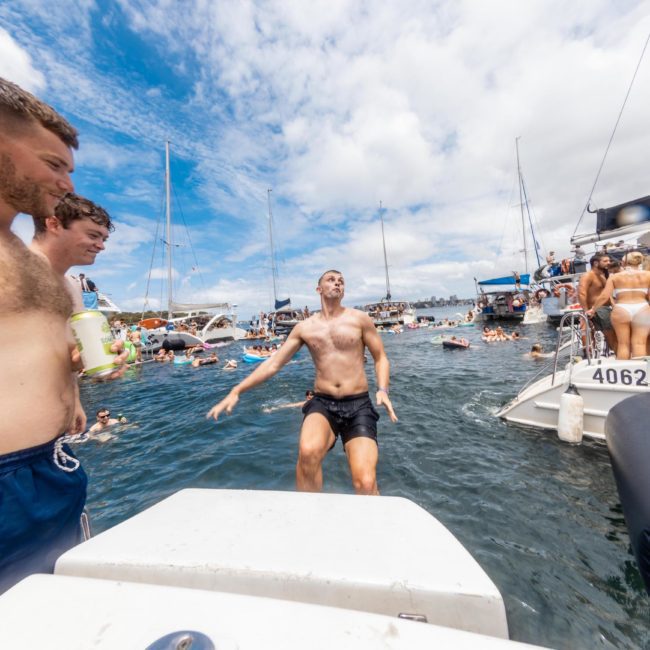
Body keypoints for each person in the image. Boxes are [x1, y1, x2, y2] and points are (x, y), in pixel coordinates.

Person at [0, 77, 88, 593]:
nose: (67, 185)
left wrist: (72, 374)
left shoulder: (25, 260)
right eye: (53, 164)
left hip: (53, 469)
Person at [207, 270, 397, 495]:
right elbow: (274, 363)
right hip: (323, 403)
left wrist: (383, 389)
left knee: (365, 483)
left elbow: (380, 357)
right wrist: (237, 389)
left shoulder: (359, 319)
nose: (337, 283)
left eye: (341, 281)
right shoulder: (305, 328)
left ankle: (373, 523)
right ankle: (308, 514)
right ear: (319, 289)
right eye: (331, 279)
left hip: (358, 404)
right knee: (307, 452)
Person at [588, 251, 650, 359]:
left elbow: (604, 296)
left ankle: (625, 373)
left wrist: (593, 310)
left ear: (624, 262)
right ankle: (640, 373)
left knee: (623, 344)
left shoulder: (614, 277)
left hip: (622, 308)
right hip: (642, 308)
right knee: (640, 343)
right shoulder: (648, 275)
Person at [578, 254, 617, 353]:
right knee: (611, 336)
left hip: (605, 309)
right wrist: (586, 312)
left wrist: (614, 306)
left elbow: (607, 295)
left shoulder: (603, 275)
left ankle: (615, 354)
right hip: (597, 311)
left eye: (609, 261)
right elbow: (582, 293)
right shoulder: (588, 275)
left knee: (613, 336)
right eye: (605, 261)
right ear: (596, 263)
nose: (609, 263)